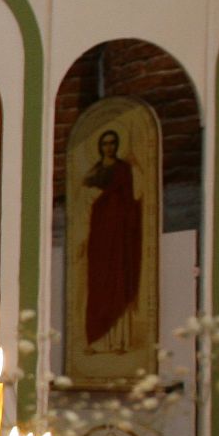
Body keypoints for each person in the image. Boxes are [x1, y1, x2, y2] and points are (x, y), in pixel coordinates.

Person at [77, 129, 141, 353]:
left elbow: (132, 201)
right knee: (98, 286)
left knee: (117, 284)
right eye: (105, 143)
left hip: (117, 237)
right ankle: (97, 341)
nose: (109, 147)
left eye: (113, 143)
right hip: (99, 238)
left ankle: (118, 341)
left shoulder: (124, 170)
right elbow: (84, 199)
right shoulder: (94, 172)